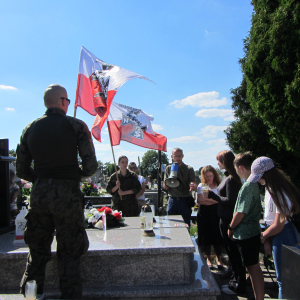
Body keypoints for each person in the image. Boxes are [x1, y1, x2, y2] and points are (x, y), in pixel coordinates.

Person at [16, 84, 98, 299]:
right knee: (69, 252)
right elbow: (90, 166)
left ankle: (31, 295)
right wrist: (71, 176)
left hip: (39, 196)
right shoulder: (77, 126)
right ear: (63, 101)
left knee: (36, 251)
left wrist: (42, 180)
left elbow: (21, 169)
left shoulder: (29, 128)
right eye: (68, 100)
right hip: (68, 196)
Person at [248, 156, 300, 299]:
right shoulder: (271, 188)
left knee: (285, 280)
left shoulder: (279, 191)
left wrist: (263, 236)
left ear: (265, 174)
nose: (257, 180)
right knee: (282, 280)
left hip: (284, 234)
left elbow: (278, 224)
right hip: (277, 234)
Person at [207, 150, 245, 295]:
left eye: (219, 160)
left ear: (225, 161)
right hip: (224, 218)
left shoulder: (231, 180)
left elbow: (230, 201)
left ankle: (238, 285)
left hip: (229, 219)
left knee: (234, 253)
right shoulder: (228, 177)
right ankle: (234, 282)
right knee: (231, 253)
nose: (217, 163)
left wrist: (214, 196)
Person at [228, 152, 264, 300]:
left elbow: (240, 212)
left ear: (241, 168)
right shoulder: (253, 183)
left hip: (246, 233)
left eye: (236, 169)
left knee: (253, 267)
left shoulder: (248, 185)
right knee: (253, 266)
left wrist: (230, 228)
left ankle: (259, 298)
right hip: (252, 231)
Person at [197, 165, 223, 269]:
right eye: (206, 176)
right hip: (204, 213)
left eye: (210, 176)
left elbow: (221, 200)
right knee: (205, 236)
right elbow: (201, 201)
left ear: (214, 175)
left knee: (217, 236)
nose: (209, 178)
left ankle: (219, 258)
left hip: (217, 213)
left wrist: (210, 200)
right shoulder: (202, 185)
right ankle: (208, 258)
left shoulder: (219, 185)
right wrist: (214, 201)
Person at [164, 148, 196, 225]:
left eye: (179, 156)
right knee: (171, 224)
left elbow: (193, 184)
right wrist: (169, 181)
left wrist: (192, 186)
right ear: (172, 156)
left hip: (184, 201)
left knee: (185, 225)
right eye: (175, 156)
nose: (177, 158)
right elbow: (165, 187)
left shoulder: (189, 169)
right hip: (172, 200)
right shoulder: (168, 168)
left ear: (182, 156)